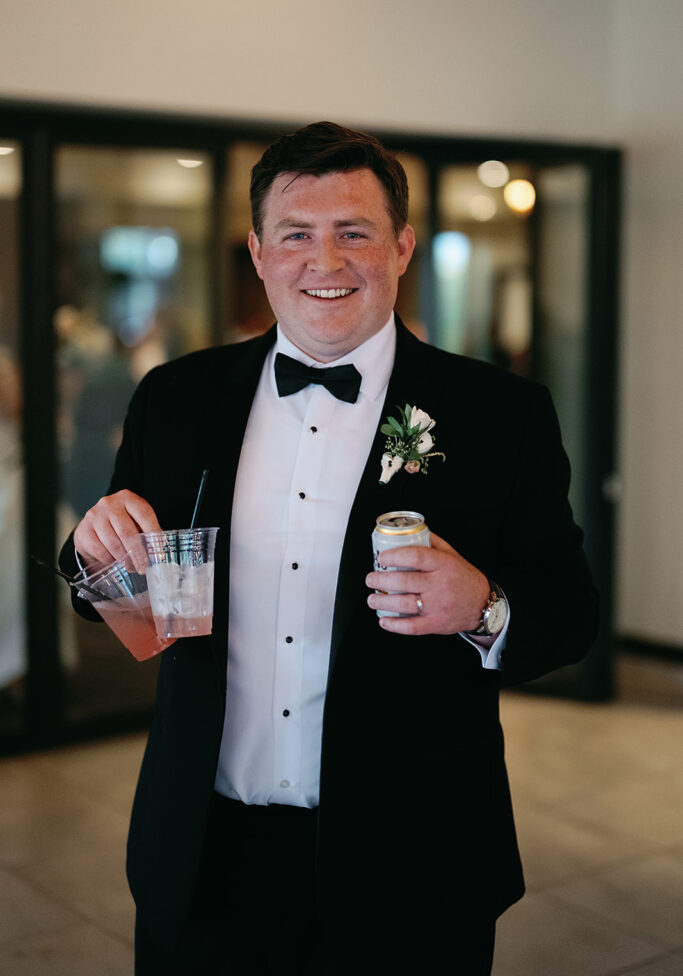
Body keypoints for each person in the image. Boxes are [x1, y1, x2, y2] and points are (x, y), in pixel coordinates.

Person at [60, 121, 598, 975]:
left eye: (354, 232)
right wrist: (98, 557)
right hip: (203, 852)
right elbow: (130, 604)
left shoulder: (502, 414)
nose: (326, 260)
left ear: (401, 247)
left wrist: (485, 608)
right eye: (296, 234)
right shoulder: (177, 398)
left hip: (412, 861)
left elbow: (568, 615)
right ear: (258, 251)